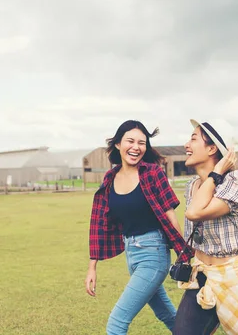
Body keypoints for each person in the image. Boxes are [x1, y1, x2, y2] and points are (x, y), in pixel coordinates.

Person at [85, 120, 190, 334]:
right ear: (117, 144)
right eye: (130, 141)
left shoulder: (153, 173)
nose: (136, 147)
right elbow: (98, 221)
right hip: (131, 254)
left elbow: (170, 214)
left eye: (142, 143)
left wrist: (184, 254)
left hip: (154, 254)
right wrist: (92, 267)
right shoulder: (110, 177)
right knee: (167, 315)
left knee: (116, 323)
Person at [173, 119, 238, 335]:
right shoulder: (193, 185)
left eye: (193, 139)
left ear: (212, 148)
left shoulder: (235, 181)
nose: (186, 145)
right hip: (201, 274)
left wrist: (217, 172)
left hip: (232, 276)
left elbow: (194, 213)